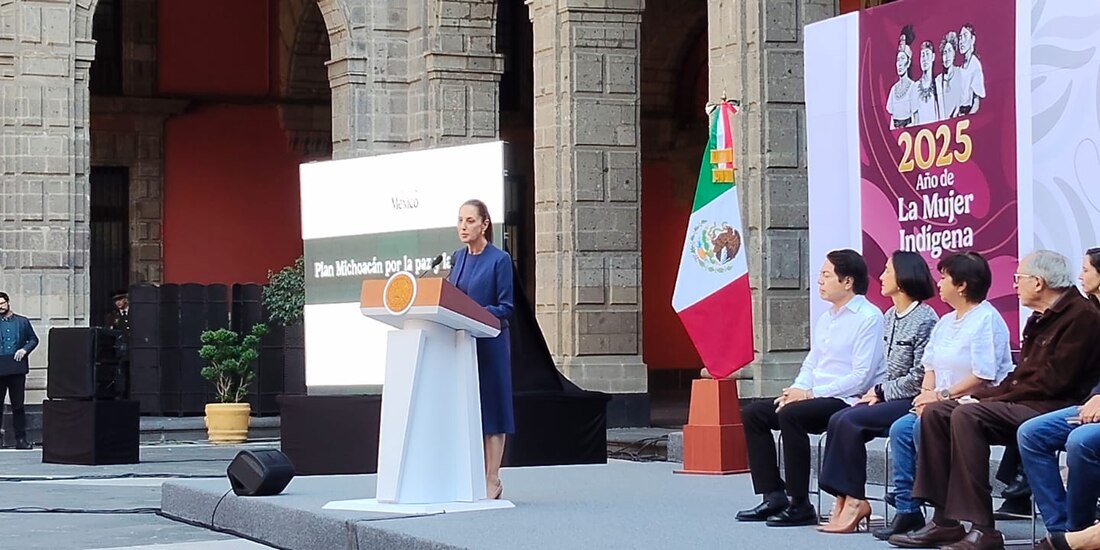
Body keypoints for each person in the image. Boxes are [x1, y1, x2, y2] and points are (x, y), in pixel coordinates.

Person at [890, 250, 1100, 550]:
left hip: (1054, 405)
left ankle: (983, 528)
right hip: (1027, 400)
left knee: (967, 416)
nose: (1014, 285)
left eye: (1019, 279)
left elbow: (1052, 383)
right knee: (937, 413)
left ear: (1038, 283)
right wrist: (978, 397)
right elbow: (1021, 378)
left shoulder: (1081, 317)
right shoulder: (1041, 317)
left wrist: (980, 400)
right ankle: (944, 521)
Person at [736, 249, 885, 527]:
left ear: (847, 282)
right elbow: (812, 363)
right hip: (814, 395)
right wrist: (795, 391)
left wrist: (808, 395)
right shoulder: (827, 317)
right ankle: (773, 495)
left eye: (827, 275)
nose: (820, 281)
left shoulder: (869, 317)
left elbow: (861, 377)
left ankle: (800, 503)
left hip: (847, 400)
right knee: (754, 413)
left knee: (792, 415)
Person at [876, 251, 1015, 541]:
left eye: (944, 277)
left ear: (962, 285)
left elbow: (984, 375)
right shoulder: (947, 320)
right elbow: (930, 365)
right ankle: (909, 509)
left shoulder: (985, 319)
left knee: (919, 427)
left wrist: (939, 396)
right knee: (902, 428)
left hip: (974, 405)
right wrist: (925, 397)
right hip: (941, 402)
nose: (938, 283)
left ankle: (946, 517)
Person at [817, 251, 938, 534]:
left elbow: (919, 377)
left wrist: (881, 390)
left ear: (904, 277)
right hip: (889, 394)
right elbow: (886, 367)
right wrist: (876, 392)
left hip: (912, 398)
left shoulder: (925, 318)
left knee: (850, 421)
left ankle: (856, 501)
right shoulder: (889, 315)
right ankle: (843, 497)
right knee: (840, 418)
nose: (881, 277)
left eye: (887, 271)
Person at [1019, 248, 1100, 549]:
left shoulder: (1083, 315)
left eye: (1087, 270)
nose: (1080, 277)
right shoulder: (1091, 310)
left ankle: (1076, 534)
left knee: (1081, 441)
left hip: (1079, 401)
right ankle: (1061, 527)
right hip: (1090, 402)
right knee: (1032, 433)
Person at [447, 199, 515, 500]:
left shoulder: (499, 260)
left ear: (484, 224)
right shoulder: (457, 258)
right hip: (464, 344)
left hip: (491, 343)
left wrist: (472, 311)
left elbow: (506, 307)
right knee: (469, 411)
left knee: (493, 410)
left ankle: (492, 479)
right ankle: (472, 475)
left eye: (470, 220)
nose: (463, 226)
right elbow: (451, 297)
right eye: (460, 220)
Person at [0, 292, 39, 450]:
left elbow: (33, 339)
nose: (0, 307)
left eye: (2, 303)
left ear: (8, 303)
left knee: (18, 405)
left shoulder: (22, 322)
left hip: (17, 367)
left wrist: (24, 350)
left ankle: (21, 439)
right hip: (0, 365)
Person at [888, 26, 917, 129]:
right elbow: (891, 120)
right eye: (898, 60)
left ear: (908, 62)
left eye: (902, 59)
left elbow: (915, 118)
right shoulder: (893, 89)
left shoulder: (913, 87)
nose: (899, 64)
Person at [957, 23, 986, 116]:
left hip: (967, 115)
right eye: (960, 37)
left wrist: (967, 119)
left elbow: (976, 103)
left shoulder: (975, 65)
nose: (961, 41)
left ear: (972, 39)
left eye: (965, 36)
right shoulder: (960, 66)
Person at [936, 32, 963, 119]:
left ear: (954, 54)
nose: (947, 56)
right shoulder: (938, 80)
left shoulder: (960, 73)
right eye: (944, 52)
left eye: (949, 51)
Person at [913, 41, 940, 125]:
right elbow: (914, 116)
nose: (924, 59)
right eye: (922, 55)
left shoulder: (938, 83)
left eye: (927, 54)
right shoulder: (915, 86)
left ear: (933, 57)